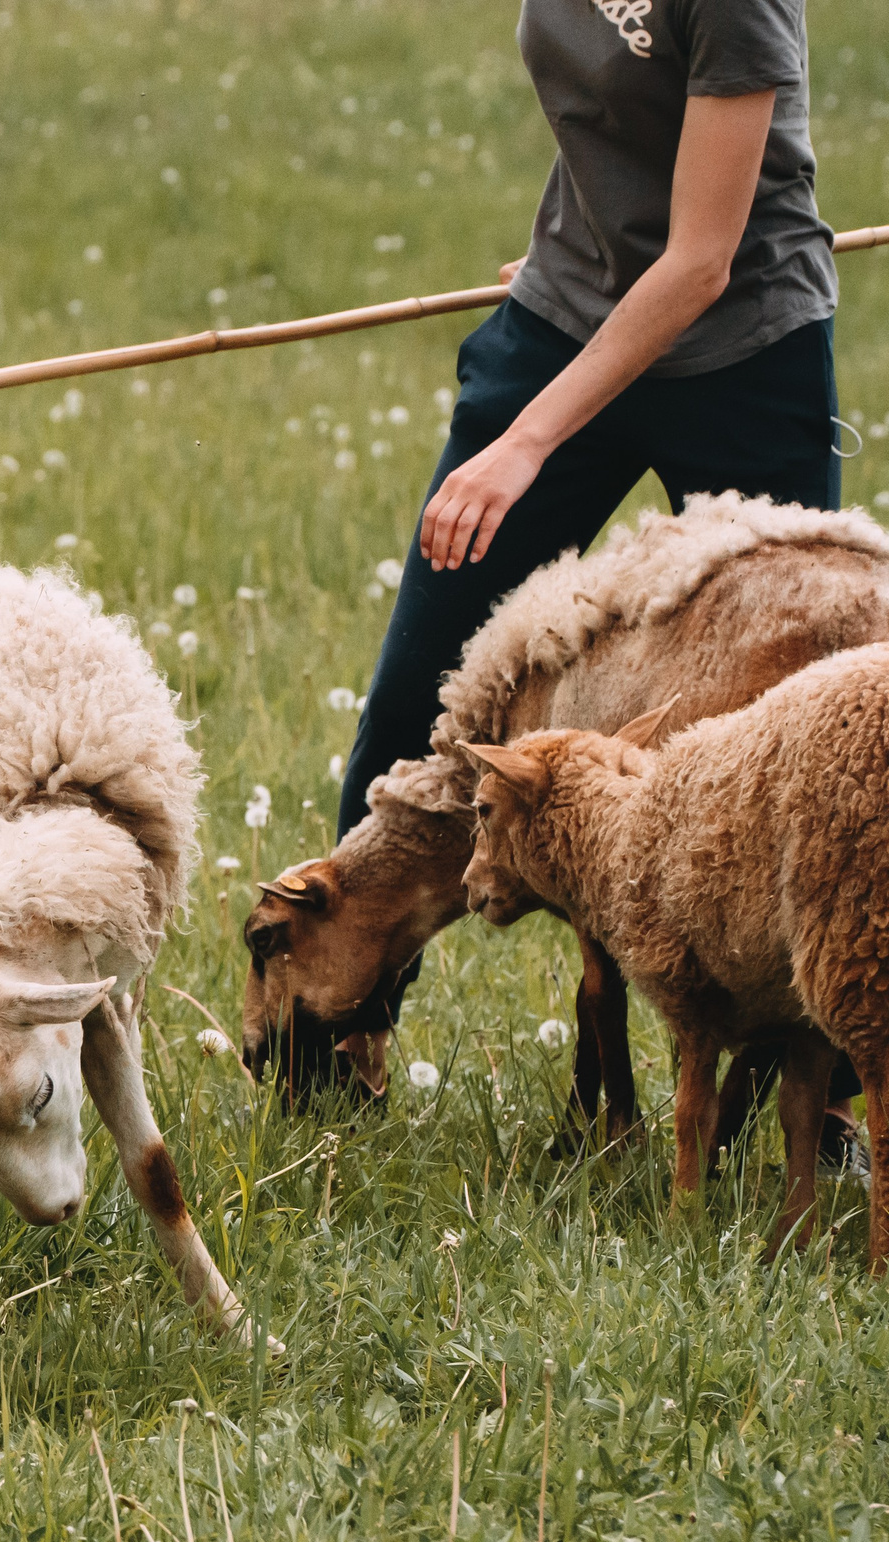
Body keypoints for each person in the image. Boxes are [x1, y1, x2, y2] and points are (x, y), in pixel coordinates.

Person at [338, 0, 850, 1162]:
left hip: (742, 345)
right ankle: (335, 1012)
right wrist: (580, 260)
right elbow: (602, 121)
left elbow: (704, 258)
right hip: (574, 310)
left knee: (799, 729)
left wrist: (527, 441)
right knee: (423, 682)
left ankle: (812, 1110)